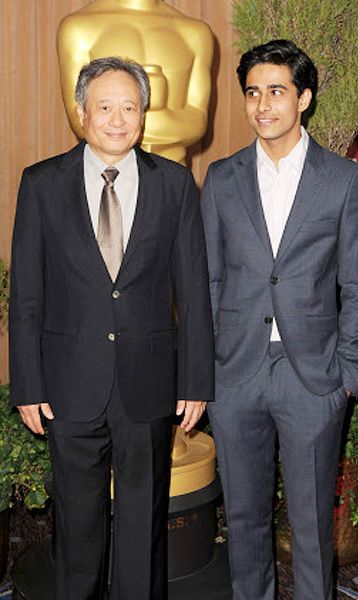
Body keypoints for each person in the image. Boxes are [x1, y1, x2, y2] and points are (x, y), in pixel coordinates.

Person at [9, 56, 214, 600]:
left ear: (144, 114)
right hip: (69, 384)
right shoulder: (42, 183)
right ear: (81, 112)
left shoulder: (173, 184)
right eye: (105, 107)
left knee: (144, 530)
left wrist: (195, 379)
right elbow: (27, 294)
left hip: (147, 384)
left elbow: (193, 290)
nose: (118, 120)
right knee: (77, 529)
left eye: (130, 107)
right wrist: (27, 384)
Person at [200, 40, 358, 599]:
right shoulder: (222, 179)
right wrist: (208, 374)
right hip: (237, 375)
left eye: (276, 91)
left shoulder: (343, 181)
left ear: (303, 98)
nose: (262, 105)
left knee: (311, 529)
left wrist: (347, 376)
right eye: (253, 92)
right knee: (245, 524)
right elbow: (208, 282)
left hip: (313, 378)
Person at [57, 0, 213, 164]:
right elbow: (79, 118)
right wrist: (158, 117)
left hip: (172, 175)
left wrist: (120, 114)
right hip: (105, 174)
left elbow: (198, 122)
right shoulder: (79, 28)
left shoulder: (195, 33)